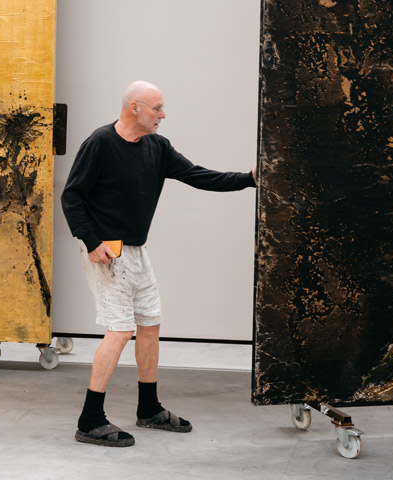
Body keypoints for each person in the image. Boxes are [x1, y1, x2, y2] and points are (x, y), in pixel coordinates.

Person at [61, 80, 257, 447]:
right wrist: (91, 242)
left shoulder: (157, 147)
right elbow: (72, 197)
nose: (163, 115)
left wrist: (249, 179)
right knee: (120, 331)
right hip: (107, 251)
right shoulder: (101, 143)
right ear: (134, 107)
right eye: (157, 108)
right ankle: (90, 420)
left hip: (136, 250)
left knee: (150, 325)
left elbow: (198, 175)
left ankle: (148, 409)